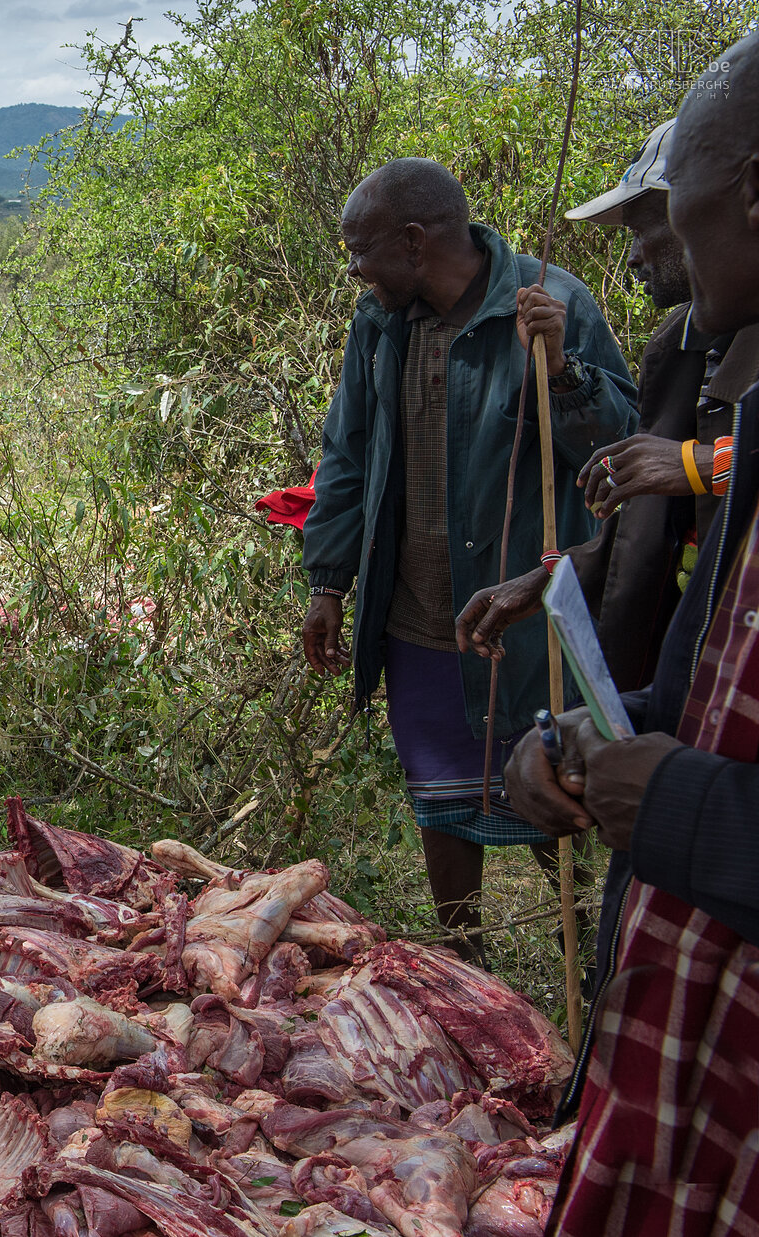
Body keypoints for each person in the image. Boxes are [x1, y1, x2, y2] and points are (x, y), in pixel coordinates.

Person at [513, 36, 759, 1233]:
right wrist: (598, 734)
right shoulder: (694, 353)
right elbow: (718, 685)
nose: (662, 249)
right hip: (693, 1057)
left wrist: (677, 806)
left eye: (679, 214)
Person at [299, 159, 637, 959]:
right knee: (441, 804)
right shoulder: (378, 324)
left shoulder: (550, 303)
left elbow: (621, 449)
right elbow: (345, 454)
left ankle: (576, 960)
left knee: (557, 795)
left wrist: (561, 370)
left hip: (524, 622)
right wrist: (329, 580)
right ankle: (464, 965)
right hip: (417, 617)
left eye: (361, 250)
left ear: (414, 242)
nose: (354, 269)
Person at [458, 120, 759, 686]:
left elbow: (689, 473)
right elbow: (654, 526)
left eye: (647, 230)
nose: (635, 258)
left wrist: (701, 464)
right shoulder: (679, 346)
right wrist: (551, 578)